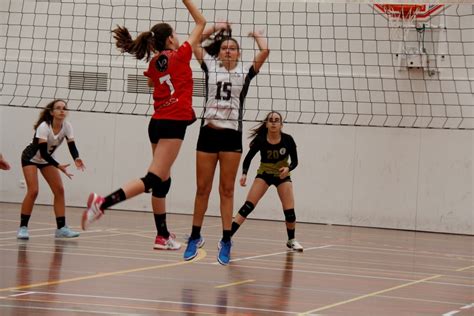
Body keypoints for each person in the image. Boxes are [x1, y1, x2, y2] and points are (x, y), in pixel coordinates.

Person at [81, 0, 206, 251]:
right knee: (153, 178)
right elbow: (201, 23)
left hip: (157, 122)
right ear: (171, 38)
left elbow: (152, 83)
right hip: (173, 123)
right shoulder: (181, 54)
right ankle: (103, 203)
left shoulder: (154, 62)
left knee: (163, 181)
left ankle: (162, 236)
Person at [183, 23, 270, 265]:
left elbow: (265, 53)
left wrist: (259, 37)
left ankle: (226, 239)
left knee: (227, 190)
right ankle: (195, 235)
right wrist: (214, 28)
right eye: (225, 48)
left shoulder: (244, 72)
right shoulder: (210, 66)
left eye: (233, 48)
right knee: (202, 189)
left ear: (238, 53)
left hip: (231, 136)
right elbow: (194, 42)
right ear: (219, 53)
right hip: (208, 134)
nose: (229, 51)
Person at [231, 111, 303, 252]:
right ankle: (227, 238)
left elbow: (295, 161)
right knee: (248, 207)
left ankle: (291, 240)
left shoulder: (288, 139)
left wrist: (288, 168)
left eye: (277, 120)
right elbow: (248, 158)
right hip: (264, 174)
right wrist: (244, 174)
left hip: (282, 176)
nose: (274, 122)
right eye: (271, 120)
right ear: (267, 124)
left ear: (281, 124)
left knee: (290, 212)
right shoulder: (261, 139)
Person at [17, 99, 85, 240]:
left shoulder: (67, 126)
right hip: (31, 158)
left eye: (64, 108)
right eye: (58, 108)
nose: (62, 110)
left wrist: (76, 158)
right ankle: (23, 228)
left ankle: (61, 228)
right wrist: (58, 165)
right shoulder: (44, 127)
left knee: (59, 190)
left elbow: (72, 145)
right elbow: (42, 152)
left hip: (47, 159)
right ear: (52, 112)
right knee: (33, 191)